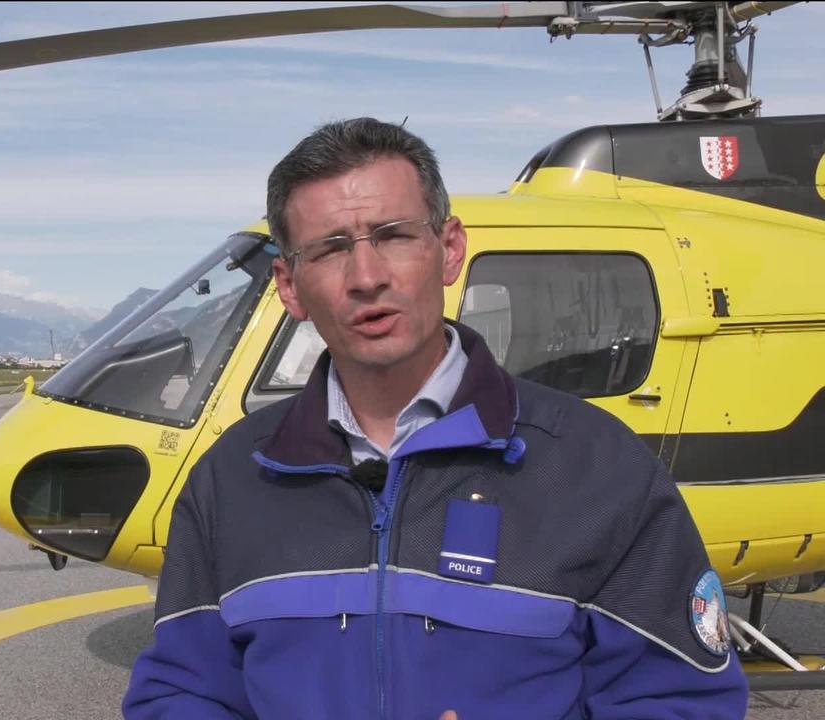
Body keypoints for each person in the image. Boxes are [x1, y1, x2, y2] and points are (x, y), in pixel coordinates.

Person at [123, 117, 749, 719]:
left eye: (393, 235)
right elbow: (181, 692)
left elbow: (683, 699)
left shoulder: (597, 468)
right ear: (289, 288)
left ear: (448, 249)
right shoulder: (233, 478)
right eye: (330, 250)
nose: (366, 277)